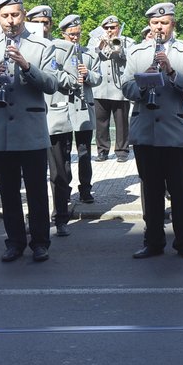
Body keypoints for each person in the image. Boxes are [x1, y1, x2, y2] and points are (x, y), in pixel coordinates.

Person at [0, 0, 58, 263]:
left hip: (30, 130)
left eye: (15, 15)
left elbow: (52, 84)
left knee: (36, 191)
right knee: (8, 192)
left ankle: (41, 241)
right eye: (5, 16)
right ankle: (15, 242)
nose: (11, 21)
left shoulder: (42, 46)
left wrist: (26, 66)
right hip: (0, 131)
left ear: (24, 15)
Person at [121, 3, 183, 260]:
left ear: (172, 24)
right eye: (155, 23)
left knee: (179, 191)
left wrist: (171, 72)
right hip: (146, 131)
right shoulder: (137, 52)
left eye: (163, 23)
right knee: (151, 192)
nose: (158, 28)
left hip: (175, 132)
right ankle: (153, 241)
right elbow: (126, 88)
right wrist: (144, 82)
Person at [46, 14, 101, 236]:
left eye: (78, 34)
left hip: (84, 109)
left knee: (85, 152)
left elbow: (98, 78)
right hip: (64, 110)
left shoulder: (88, 53)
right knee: (64, 155)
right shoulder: (56, 52)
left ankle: (85, 189)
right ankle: (64, 192)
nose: (75, 38)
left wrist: (88, 75)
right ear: (63, 34)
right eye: (71, 35)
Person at [90, 15, 133, 162]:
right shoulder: (94, 41)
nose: (109, 30)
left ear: (118, 28)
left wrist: (119, 49)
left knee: (121, 123)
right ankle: (102, 150)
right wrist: (100, 46)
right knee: (101, 122)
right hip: (100, 89)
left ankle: (122, 151)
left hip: (119, 89)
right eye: (106, 28)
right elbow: (89, 58)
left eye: (112, 27)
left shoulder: (127, 41)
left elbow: (132, 58)